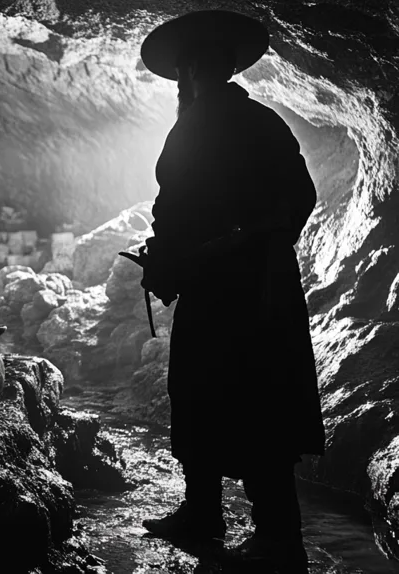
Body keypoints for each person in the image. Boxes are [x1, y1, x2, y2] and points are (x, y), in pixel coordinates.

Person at [136, 10, 326, 571]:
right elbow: (301, 198)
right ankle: (237, 522)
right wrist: (259, 244)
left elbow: (176, 210)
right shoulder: (265, 122)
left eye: (182, 76)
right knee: (257, 397)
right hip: (265, 287)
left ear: (191, 71)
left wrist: (172, 259)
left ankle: (258, 533)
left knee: (210, 393)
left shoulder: (193, 125)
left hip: (222, 292)